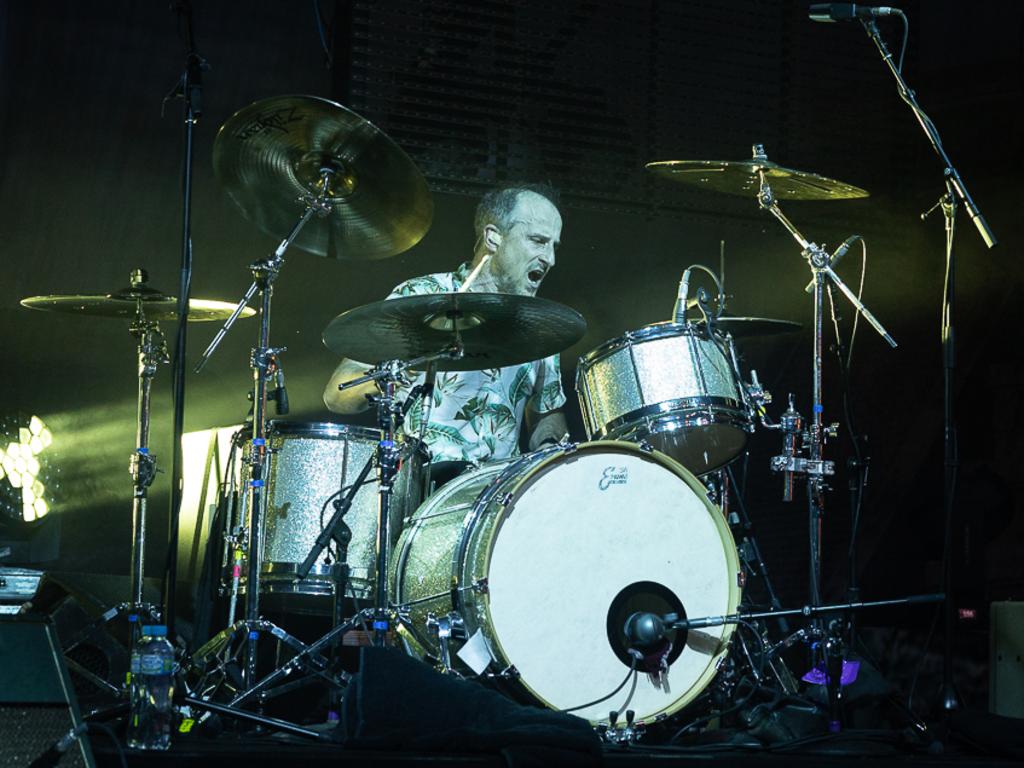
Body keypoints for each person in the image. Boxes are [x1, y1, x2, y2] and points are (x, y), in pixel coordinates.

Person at [323, 183, 569, 473]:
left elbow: (546, 412)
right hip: (422, 482)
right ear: (493, 238)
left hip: (499, 496)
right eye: (538, 241)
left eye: (554, 246)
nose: (550, 259)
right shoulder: (418, 297)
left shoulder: (540, 323)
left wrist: (550, 445)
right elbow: (336, 395)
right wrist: (391, 375)